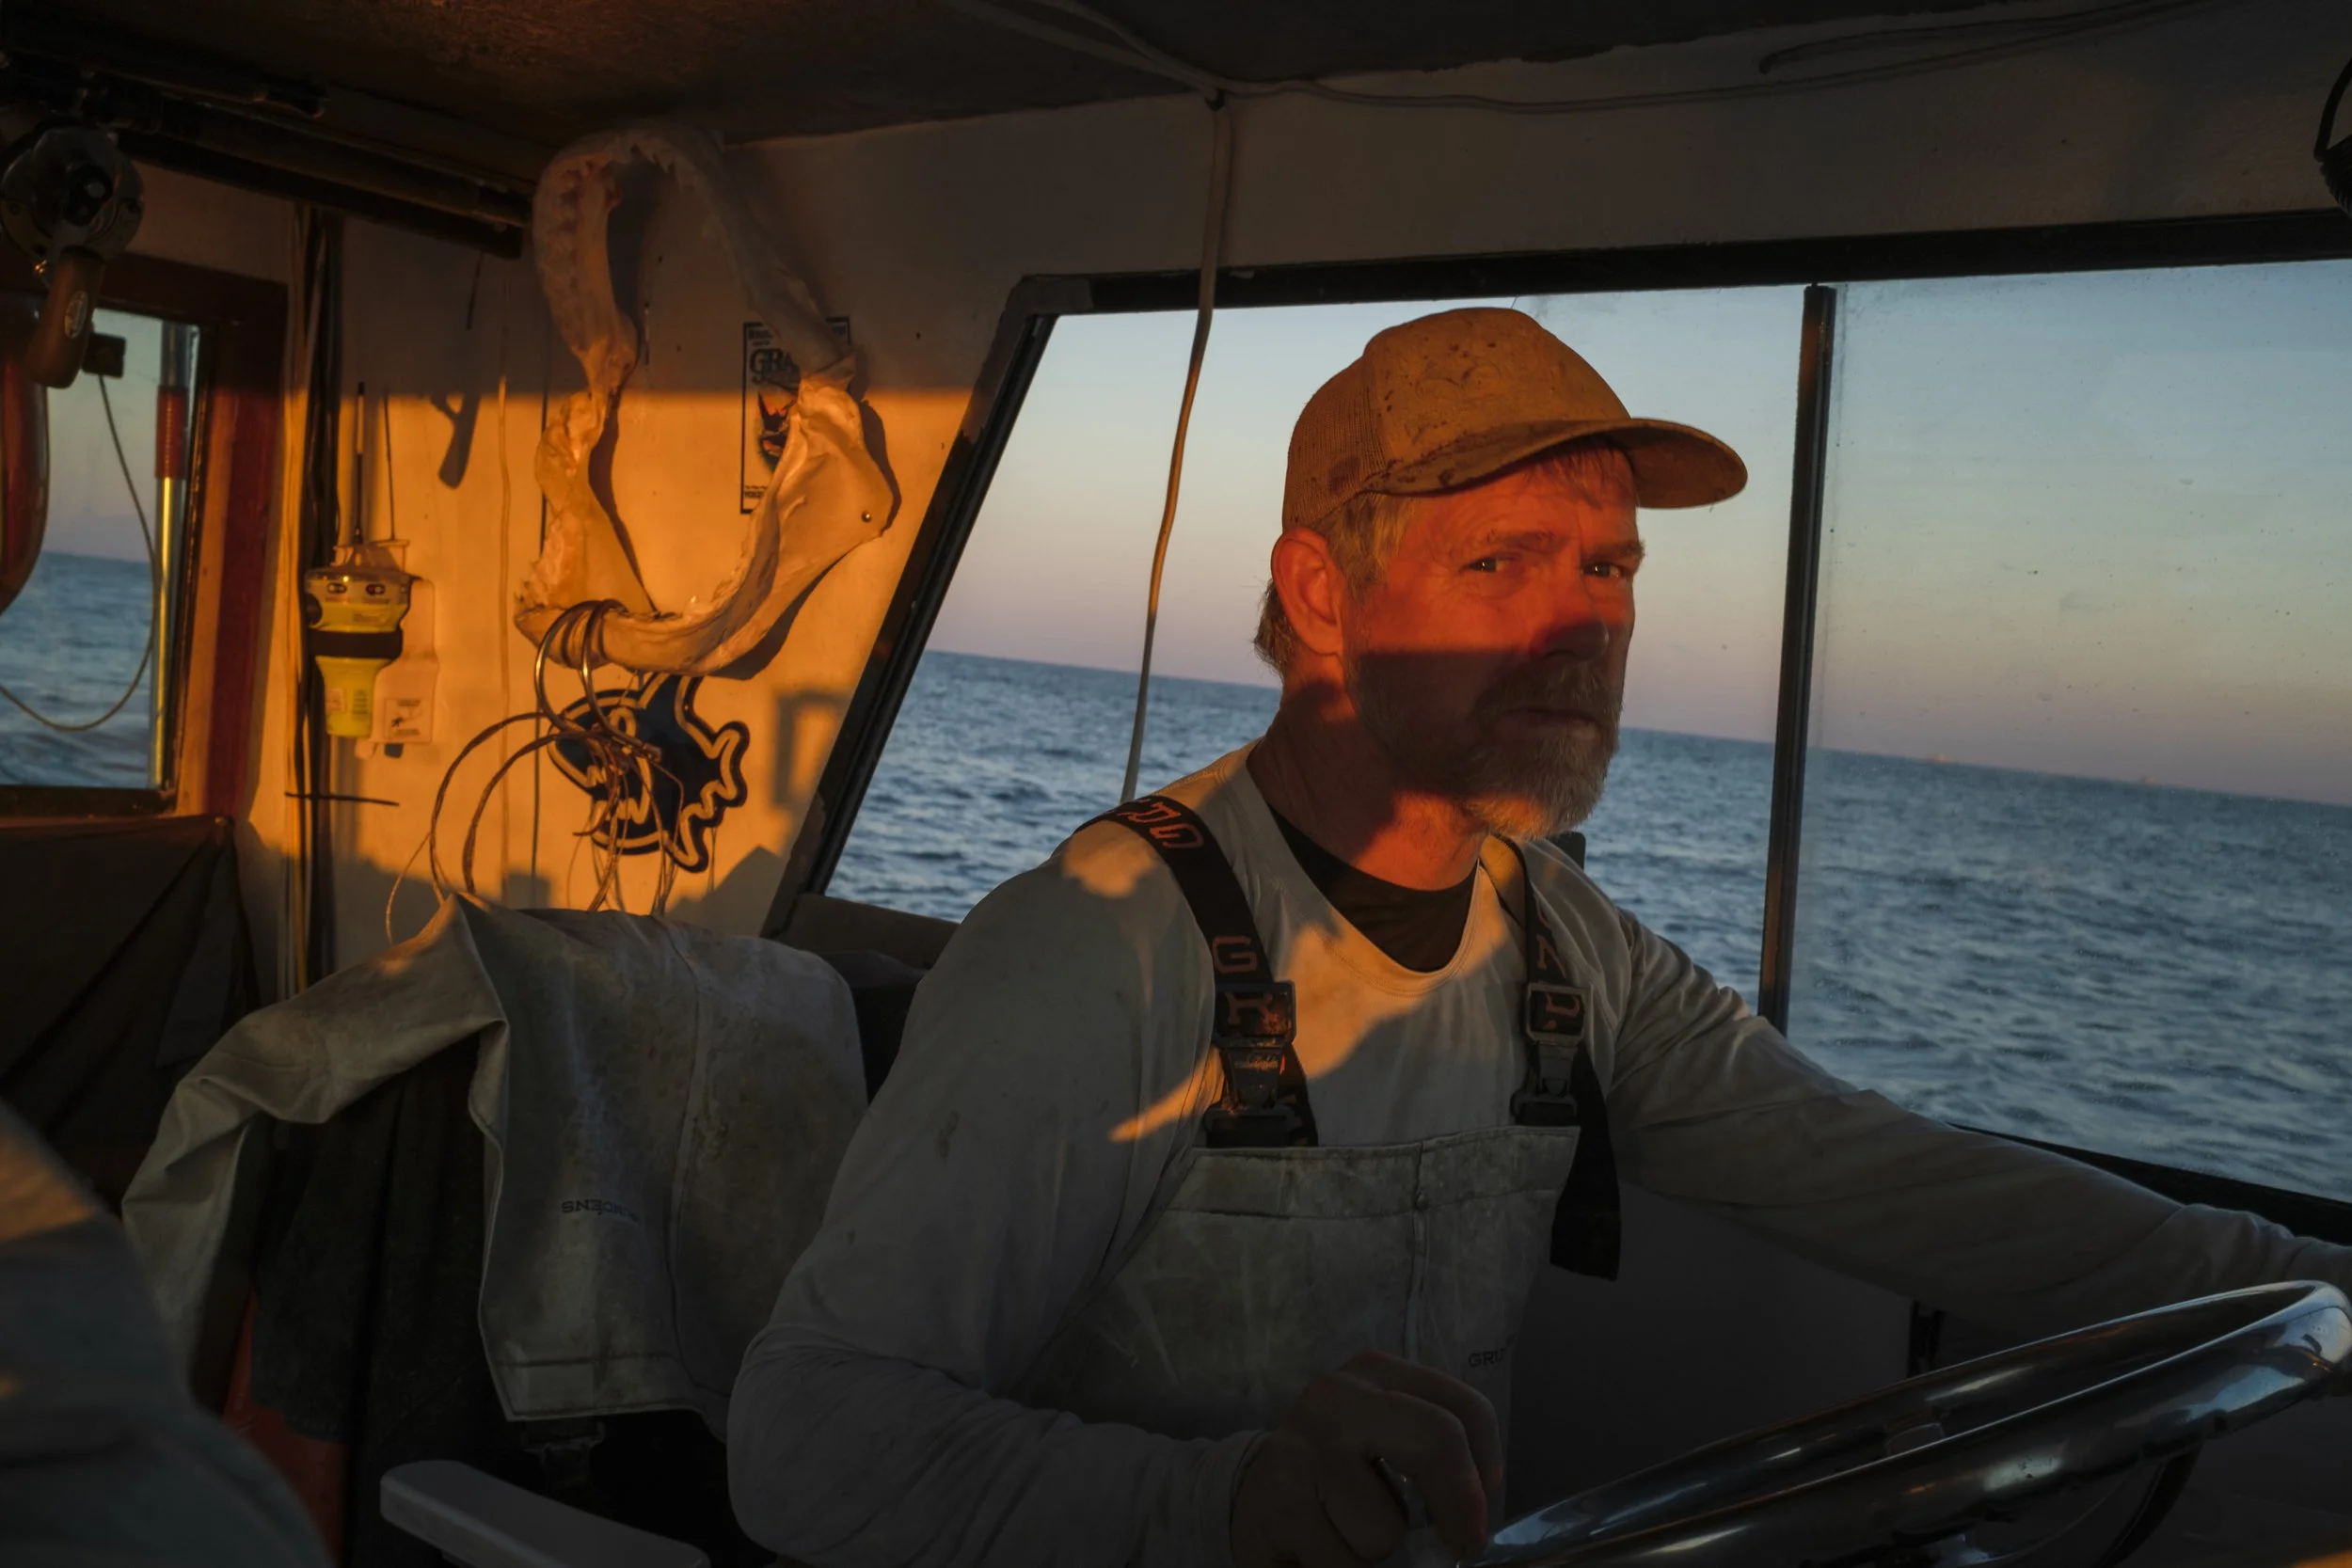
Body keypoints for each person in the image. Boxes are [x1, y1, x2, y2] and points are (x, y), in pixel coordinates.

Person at [727, 307, 2352, 1568]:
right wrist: (1228, 1505)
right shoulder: (1103, 948)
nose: (1581, 624)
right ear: (1317, 591)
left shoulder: (1568, 953)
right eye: (1498, 562)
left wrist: (2304, 1285)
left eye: (1607, 565)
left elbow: (1897, 1171)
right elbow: (809, 1441)